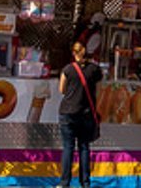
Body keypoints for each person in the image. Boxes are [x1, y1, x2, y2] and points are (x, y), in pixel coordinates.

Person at [57, 39, 101, 188]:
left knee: (68, 147)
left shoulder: (67, 69)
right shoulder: (94, 69)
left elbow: (61, 90)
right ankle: (85, 183)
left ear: (73, 53)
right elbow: (99, 86)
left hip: (67, 112)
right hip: (86, 114)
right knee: (84, 147)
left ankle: (64, 183)